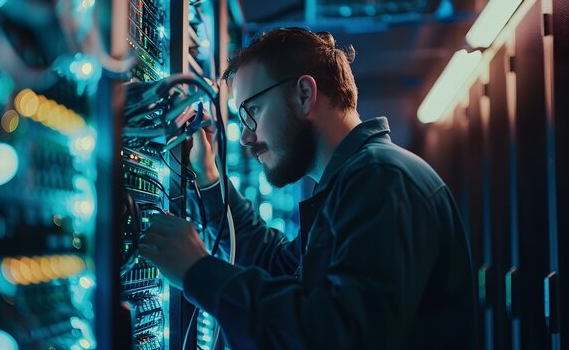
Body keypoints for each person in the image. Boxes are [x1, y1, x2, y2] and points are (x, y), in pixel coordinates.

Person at [137, 27, 476, 349]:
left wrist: (199, 272)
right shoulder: (357, 180)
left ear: (304, 94)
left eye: (251, 111)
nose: (245, 136)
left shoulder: (382, 178)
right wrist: (209, 176)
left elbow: (338, 336)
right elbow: (277, 265)